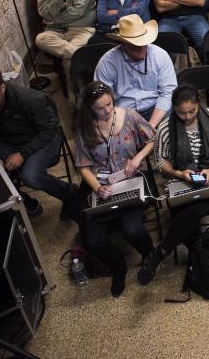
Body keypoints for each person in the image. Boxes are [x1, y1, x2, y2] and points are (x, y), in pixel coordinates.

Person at [137, 84, 209, 285]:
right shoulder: (166, 128)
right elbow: (159, 161)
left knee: (192, 207)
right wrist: (179, 173)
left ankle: (161, 252)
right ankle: (200, 260)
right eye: (181, 113)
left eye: (192, 111)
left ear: (199, 105)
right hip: (181, 178)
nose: (188, 116)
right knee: (186, 206)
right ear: (173, 109)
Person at [75, 80, 155, 297]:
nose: (107, 110)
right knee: (93, 241)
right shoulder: (85, 128)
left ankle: (150, 256)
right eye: (100, 108)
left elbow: (151, 139)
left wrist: (138, 158)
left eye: (109, 104)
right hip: (102, 185)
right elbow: (83, 166)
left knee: (133, 229)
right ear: (90, 108)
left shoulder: (129, 116)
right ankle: (118, 266)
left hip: (129, 180)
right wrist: (97, 188)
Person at [0, 67, 77, 220]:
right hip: (12, 142)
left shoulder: (31, 99)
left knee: (30, 176)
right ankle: (28, 203)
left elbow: (48, 131)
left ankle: (69, 193)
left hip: (44, 138)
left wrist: (22, 154)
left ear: (2, 87)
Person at [94, 15, 177, 128]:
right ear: (122, 43)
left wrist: (151, 126)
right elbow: (104, 100)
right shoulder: (107, 62)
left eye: (143, 43)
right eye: (135, 45)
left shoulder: (160, 55)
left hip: (157, 109)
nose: (141, 48)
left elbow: (168, 92)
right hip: (123, 114)